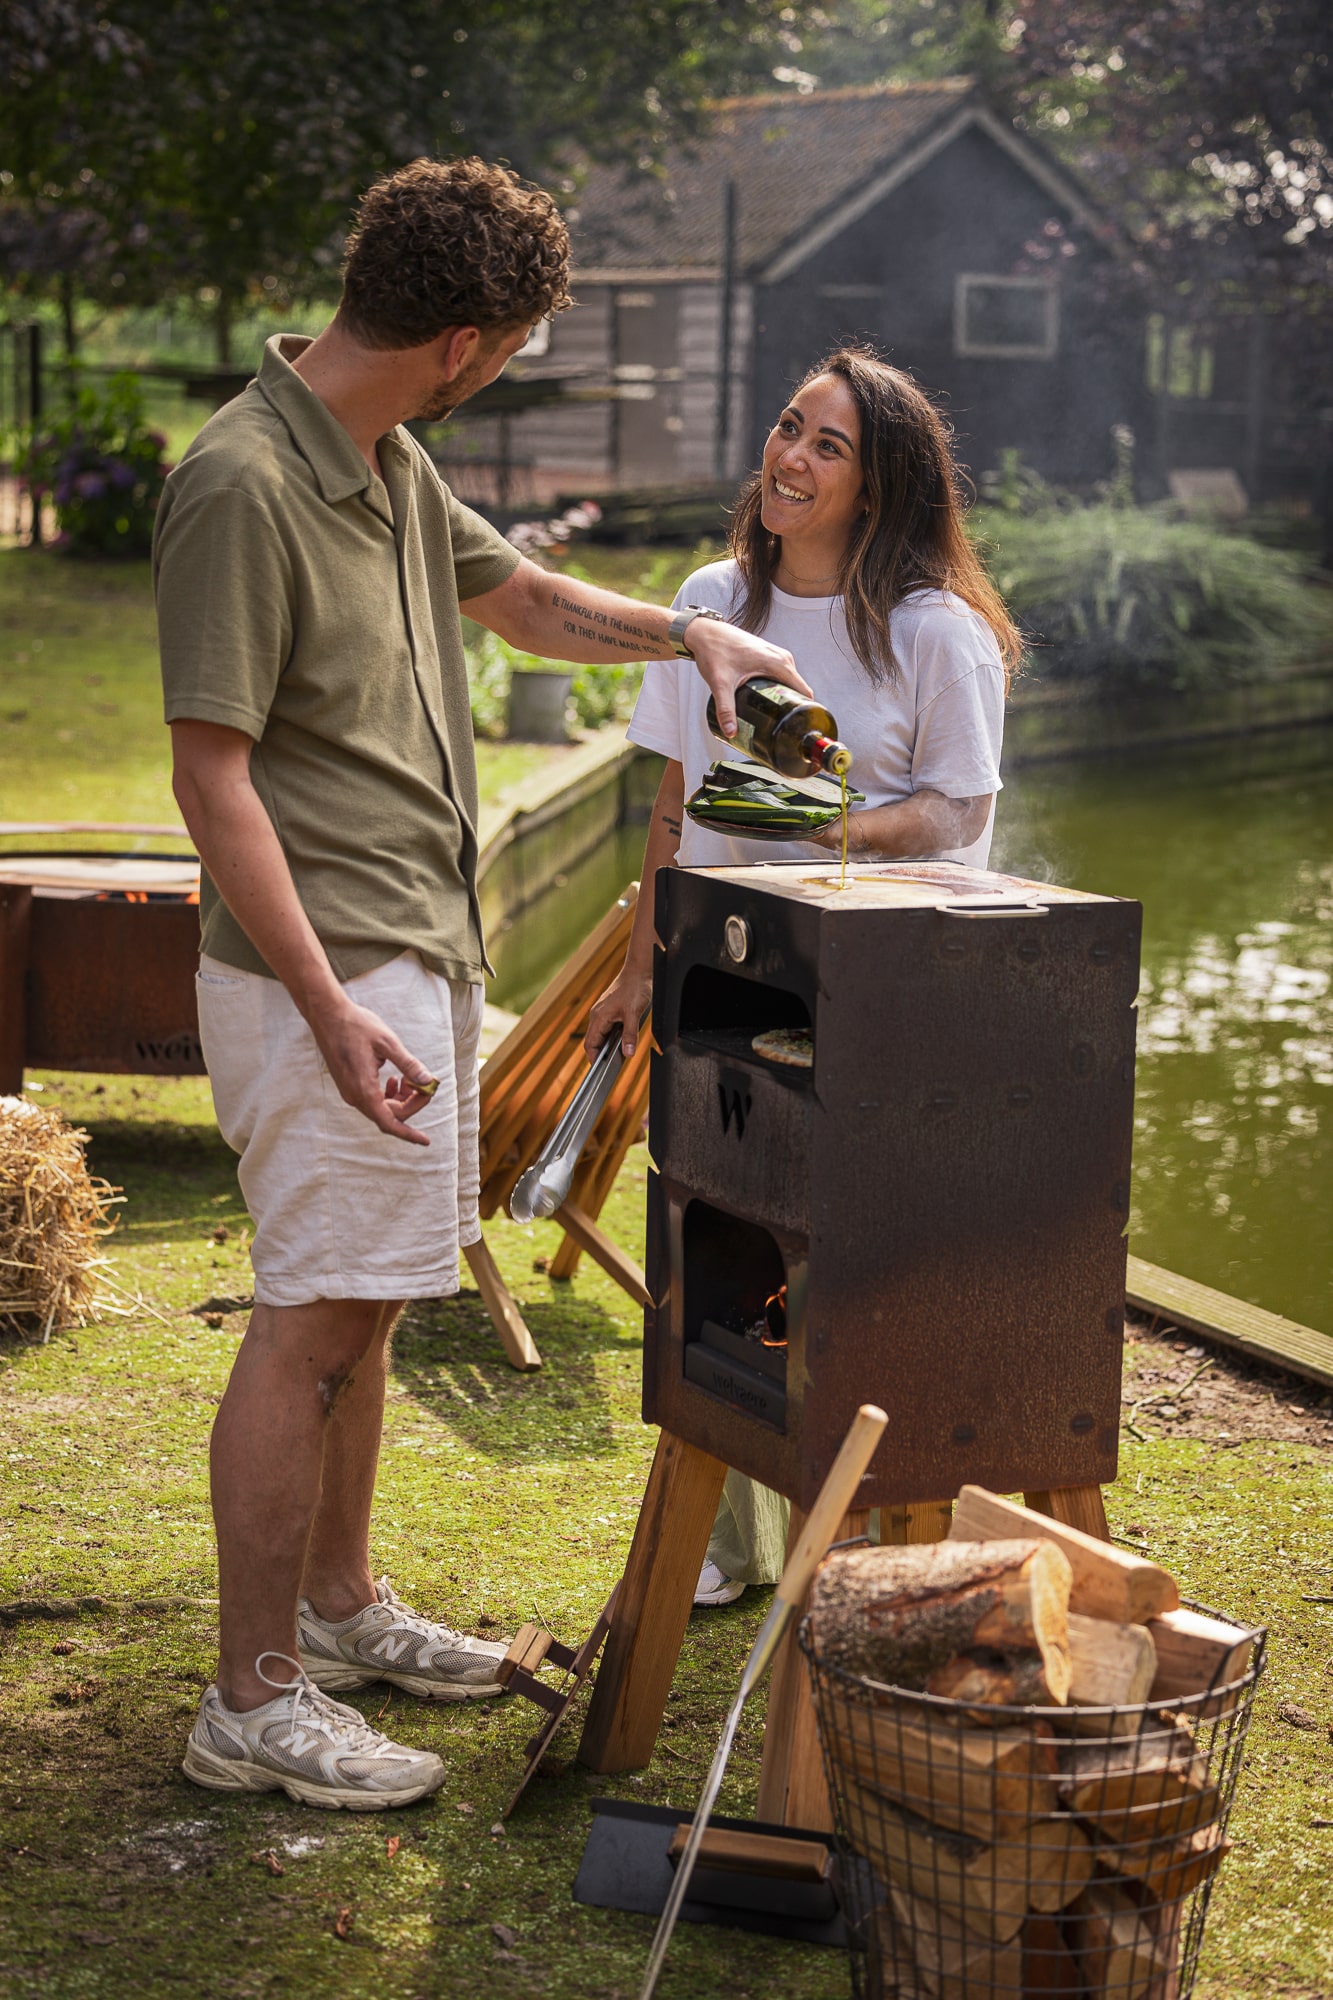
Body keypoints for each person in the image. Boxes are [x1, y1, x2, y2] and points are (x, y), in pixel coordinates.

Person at [154, 156, 809, 1812]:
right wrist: (323, 1003)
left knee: (364, 1319)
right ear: (461, 341)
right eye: (510, 343)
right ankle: (248, 1701)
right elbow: (212, 781)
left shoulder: (386, 457)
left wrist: (693, 640)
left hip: (414, 952)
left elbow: (517, 601)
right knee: (308, 1326)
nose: (506, 365)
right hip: (332, 974)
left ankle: (343, 1607)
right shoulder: (239, 482)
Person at [586, 345, 1023, 1606]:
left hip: (871, 988)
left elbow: (959, 812)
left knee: (842, 1267)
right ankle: (721, 1551)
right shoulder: (713, 597)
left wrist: (830, 831)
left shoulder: (938, 633)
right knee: (712, 1237)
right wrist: (635, 965)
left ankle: (857, 1551)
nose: (792, 456)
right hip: (723, 972)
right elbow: (672, 800)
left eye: (828, 445)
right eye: (789, 427)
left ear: (878, 486)